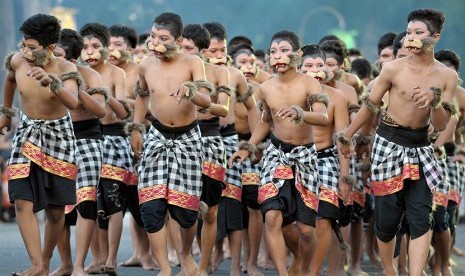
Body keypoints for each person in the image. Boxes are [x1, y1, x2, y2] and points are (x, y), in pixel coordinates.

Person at [338, 9, 457, 276]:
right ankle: (389, 269)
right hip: (388, 143)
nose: (411, 38)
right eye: (410, 32)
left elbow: (440, 125)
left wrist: (434, 100)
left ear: (435, 37)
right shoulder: (392, 68)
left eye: (419, 33)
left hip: (421, 146)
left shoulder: (446, 76)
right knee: (388, 221)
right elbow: (370, 105)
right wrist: (348, 135)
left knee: (421, 218)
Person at [229, 30, 329, 275]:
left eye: (284, 50)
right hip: (276, 155)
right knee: (272, 216)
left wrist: (301, 113)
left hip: (304, 157)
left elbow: (324, 117)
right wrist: (248, 147)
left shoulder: (310, 83)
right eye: (273, 51)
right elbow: (265, 120)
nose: (278, 56)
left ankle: (305, 267)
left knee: (306, 230)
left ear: (297, 54)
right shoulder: (264, 88)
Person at [129, 12, 212, 276]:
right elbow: (143, 96)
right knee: (151, 207)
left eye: (163, 38)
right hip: (156, 137)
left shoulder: (192, 62)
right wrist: (136, 128)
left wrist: (190, 90)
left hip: (187, 139)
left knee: (185, 211)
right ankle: (164, 269)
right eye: (153, 36)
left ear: (178, 40)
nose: (155, 43)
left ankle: (186, 256)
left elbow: (207, 99)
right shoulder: (145, 65)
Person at [1, 14, 80, 276]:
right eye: (23, 45)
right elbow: (11, 79)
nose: (24, 52)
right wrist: (6, 112)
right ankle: (36, 264)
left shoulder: (66, 68)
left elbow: (73, 103)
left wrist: (52, 83)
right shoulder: (16, 60)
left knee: (56, 210)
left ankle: (45, 262)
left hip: (59, 137)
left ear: (49, 49)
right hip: (27, 134)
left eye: (31, 48)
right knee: (22, 200)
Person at [48, 28, 108, 276]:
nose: (53, 59)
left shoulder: (90, 75)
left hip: (87, 139)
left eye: (58, 54)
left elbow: (101, 111)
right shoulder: (46, 74)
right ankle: (65, 263)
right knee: (57, 204)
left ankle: (80, 266)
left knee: (85, 203)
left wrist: (76, 87)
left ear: (72, 58)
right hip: (56, 139)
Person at [202, 22, 259, 274]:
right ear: (203, 50)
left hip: (229, 142)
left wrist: (254, 145)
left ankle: (237, 265)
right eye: (212, 51)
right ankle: (203, 261)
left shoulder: (234, 75)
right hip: (197, 141)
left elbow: (253, 109)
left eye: (222, 50)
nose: (218, 56)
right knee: (201, 206)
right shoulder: (194, 73)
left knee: (232, 206)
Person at [79, 22, 132, 275]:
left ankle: (110, 258)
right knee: (88, 201)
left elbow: (123, 113)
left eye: (96, 46)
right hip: (87, 139)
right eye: (86, 46)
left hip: (113, 140)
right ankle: (95, 258)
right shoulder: (77, 72)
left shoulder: (116, 73)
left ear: (105, 48)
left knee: (113, 202)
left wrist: (105, 94)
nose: (90, 51)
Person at [180, 23, 232, 276]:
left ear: (203, 50)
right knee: (179, 206)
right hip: (177, 139)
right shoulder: (166, 70)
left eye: (190, 48)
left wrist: (198, 100)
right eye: (182, 46)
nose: (185, 52)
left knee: (210, 211)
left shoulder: (219, 74)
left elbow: (223, 109)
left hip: (210, 140)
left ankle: (203, 266)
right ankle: (186, 262)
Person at [299, 44, 353, 275]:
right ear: (298, 68)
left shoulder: (336, 97)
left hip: (325, 161)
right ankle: (298, 266)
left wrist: (344, 177)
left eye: (319, 65)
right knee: (299, 227)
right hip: (295, 159)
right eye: (308, 66)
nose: (315, 70)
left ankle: (312, 272)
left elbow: (342, 141)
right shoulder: (287, 92)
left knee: (323, 221)